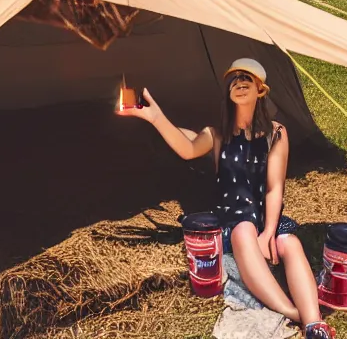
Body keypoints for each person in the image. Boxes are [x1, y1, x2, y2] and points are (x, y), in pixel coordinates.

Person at [117, 58, 335, 339]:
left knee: (289, 242)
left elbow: (274, 187)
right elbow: (188, 148)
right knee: (244, 230)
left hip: (264, 217)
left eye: (247, 78)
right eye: (233, 79)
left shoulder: (277, 133)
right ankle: (295, 314)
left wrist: (269, 231)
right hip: (231, 222)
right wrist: (156, 117)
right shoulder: (217, 134)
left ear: (261, 90)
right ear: (228, 93)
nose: (239, 82)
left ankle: (315, 323)